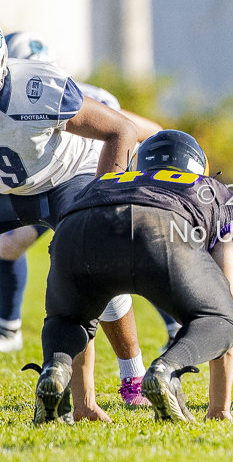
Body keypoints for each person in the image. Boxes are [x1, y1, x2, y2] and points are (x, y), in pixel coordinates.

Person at [26, 130, 233, 424]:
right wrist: (220, 409)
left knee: (70, 320)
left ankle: (59, 373)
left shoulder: (105, 182)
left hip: (78, 230)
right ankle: (166, 370)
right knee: (223, 320)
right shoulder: (211, 190)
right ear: (199, 169)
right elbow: (227, 289)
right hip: (159, 227)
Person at [0, 31, 167, 407]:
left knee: (95, 259)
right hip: (9, 188)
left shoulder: (38, 87)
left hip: (65, 176)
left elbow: (121, 129)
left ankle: (132, 378)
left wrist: (101, 200)